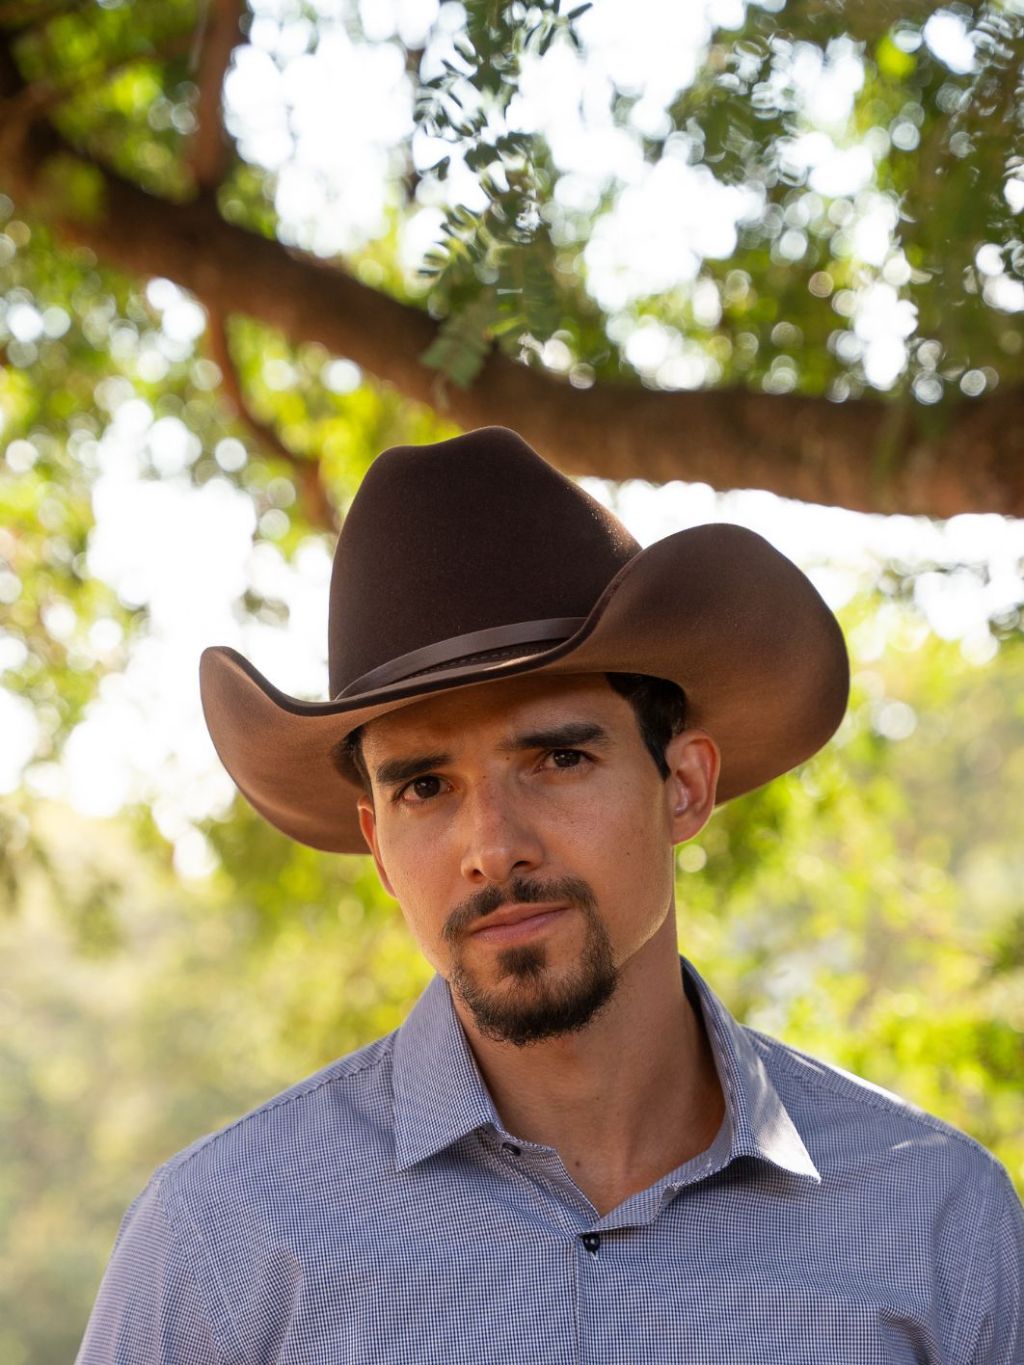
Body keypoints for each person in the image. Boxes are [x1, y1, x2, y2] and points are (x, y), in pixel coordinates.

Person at [77, 426, 1023, 1364]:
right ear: (378, 845)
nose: (493, 848)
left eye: (559, 758)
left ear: (684, 785)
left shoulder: (939, 1224)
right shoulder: (221, 1245)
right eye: (425, 786)